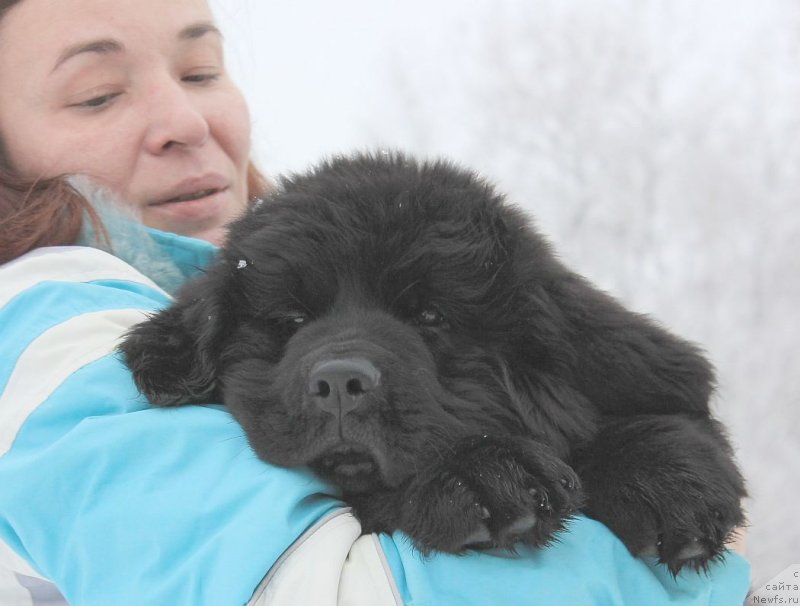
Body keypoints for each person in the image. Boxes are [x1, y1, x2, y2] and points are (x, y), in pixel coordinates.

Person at [0, 0, 750, 604]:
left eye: (200, 72)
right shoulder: (43, 324)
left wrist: (650, 458)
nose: (186, 123)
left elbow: (649, 389)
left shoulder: (253, 262)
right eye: (97, 95)